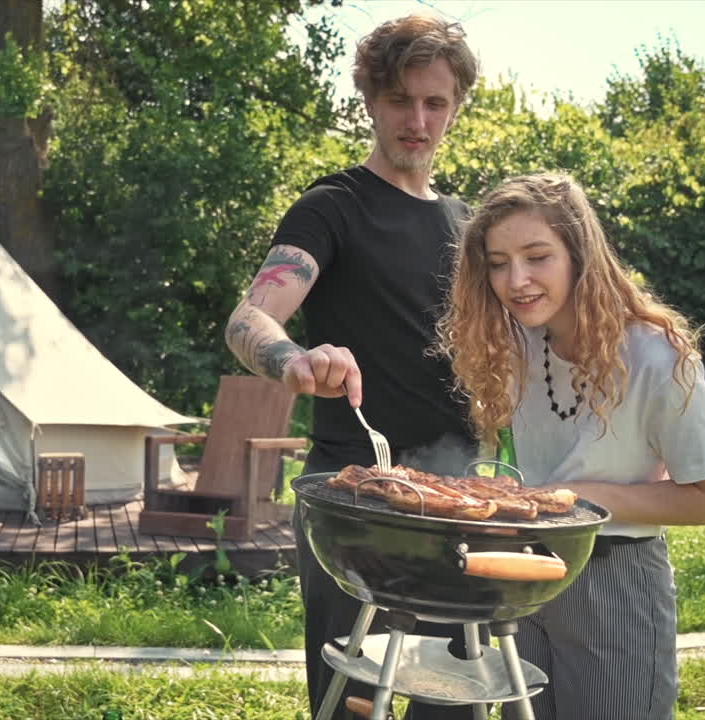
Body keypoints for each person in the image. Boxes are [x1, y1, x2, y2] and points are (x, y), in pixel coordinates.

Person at [223, 13, 481, 720]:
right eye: (401, 99)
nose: (417, 119)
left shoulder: (468, 224)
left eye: (436, 102)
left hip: (456, 496)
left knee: (453, 702)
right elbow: (249, 319)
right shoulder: (331, 208)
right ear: (371, 100)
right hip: (352, 497)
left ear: (456, 108)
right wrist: (295, 357)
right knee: (351, 703)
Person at [436, 172, 705, 719]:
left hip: (616, 583)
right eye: (499, 263)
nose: (517, 280)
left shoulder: (658, 359)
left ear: (580, 253)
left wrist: (583, 496)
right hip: (522, 574)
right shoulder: (513, 347)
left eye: (537, 256)